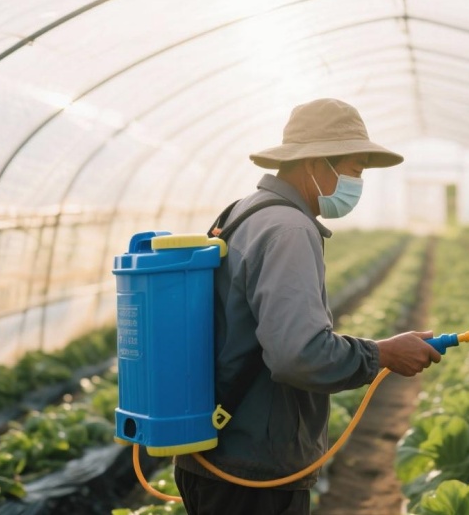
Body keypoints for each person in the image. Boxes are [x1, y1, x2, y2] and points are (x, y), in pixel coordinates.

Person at [174, 98, 442, 514]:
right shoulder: (290, 230)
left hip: (213, 453)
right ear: (316, 163)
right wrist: (382, 354)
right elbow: (298, 355)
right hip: (253, 471)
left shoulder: (244, 211)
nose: (358, 183)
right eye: (355, 170)